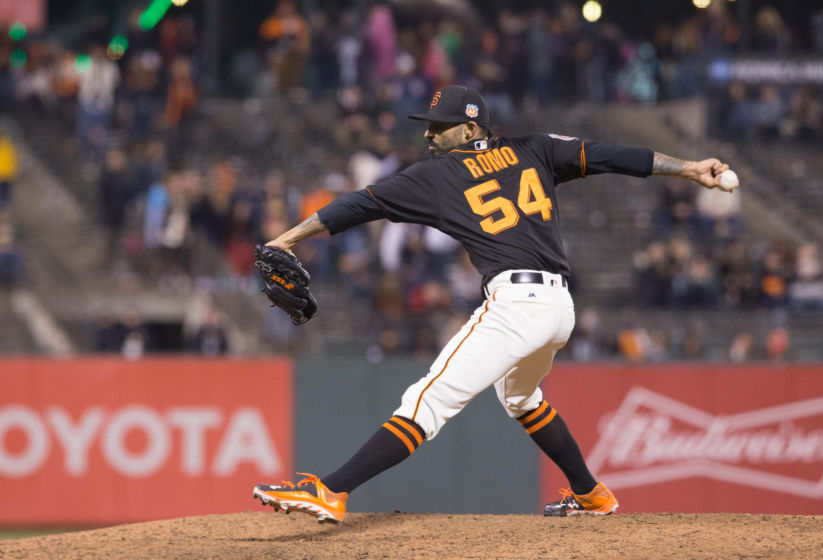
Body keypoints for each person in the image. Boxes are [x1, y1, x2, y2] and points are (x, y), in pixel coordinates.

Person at [253, 85, 737, 523]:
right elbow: (614, 156)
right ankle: (591, 494)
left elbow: (357, 206)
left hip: (516, 304)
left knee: (427, 399)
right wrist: (690, 168)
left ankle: (331, 490)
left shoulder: (436, 175)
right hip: (558, 308)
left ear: (469, 127)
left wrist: (288, 238)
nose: (429, 135)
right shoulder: (536, 148)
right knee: (520, 397)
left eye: (439, 127)